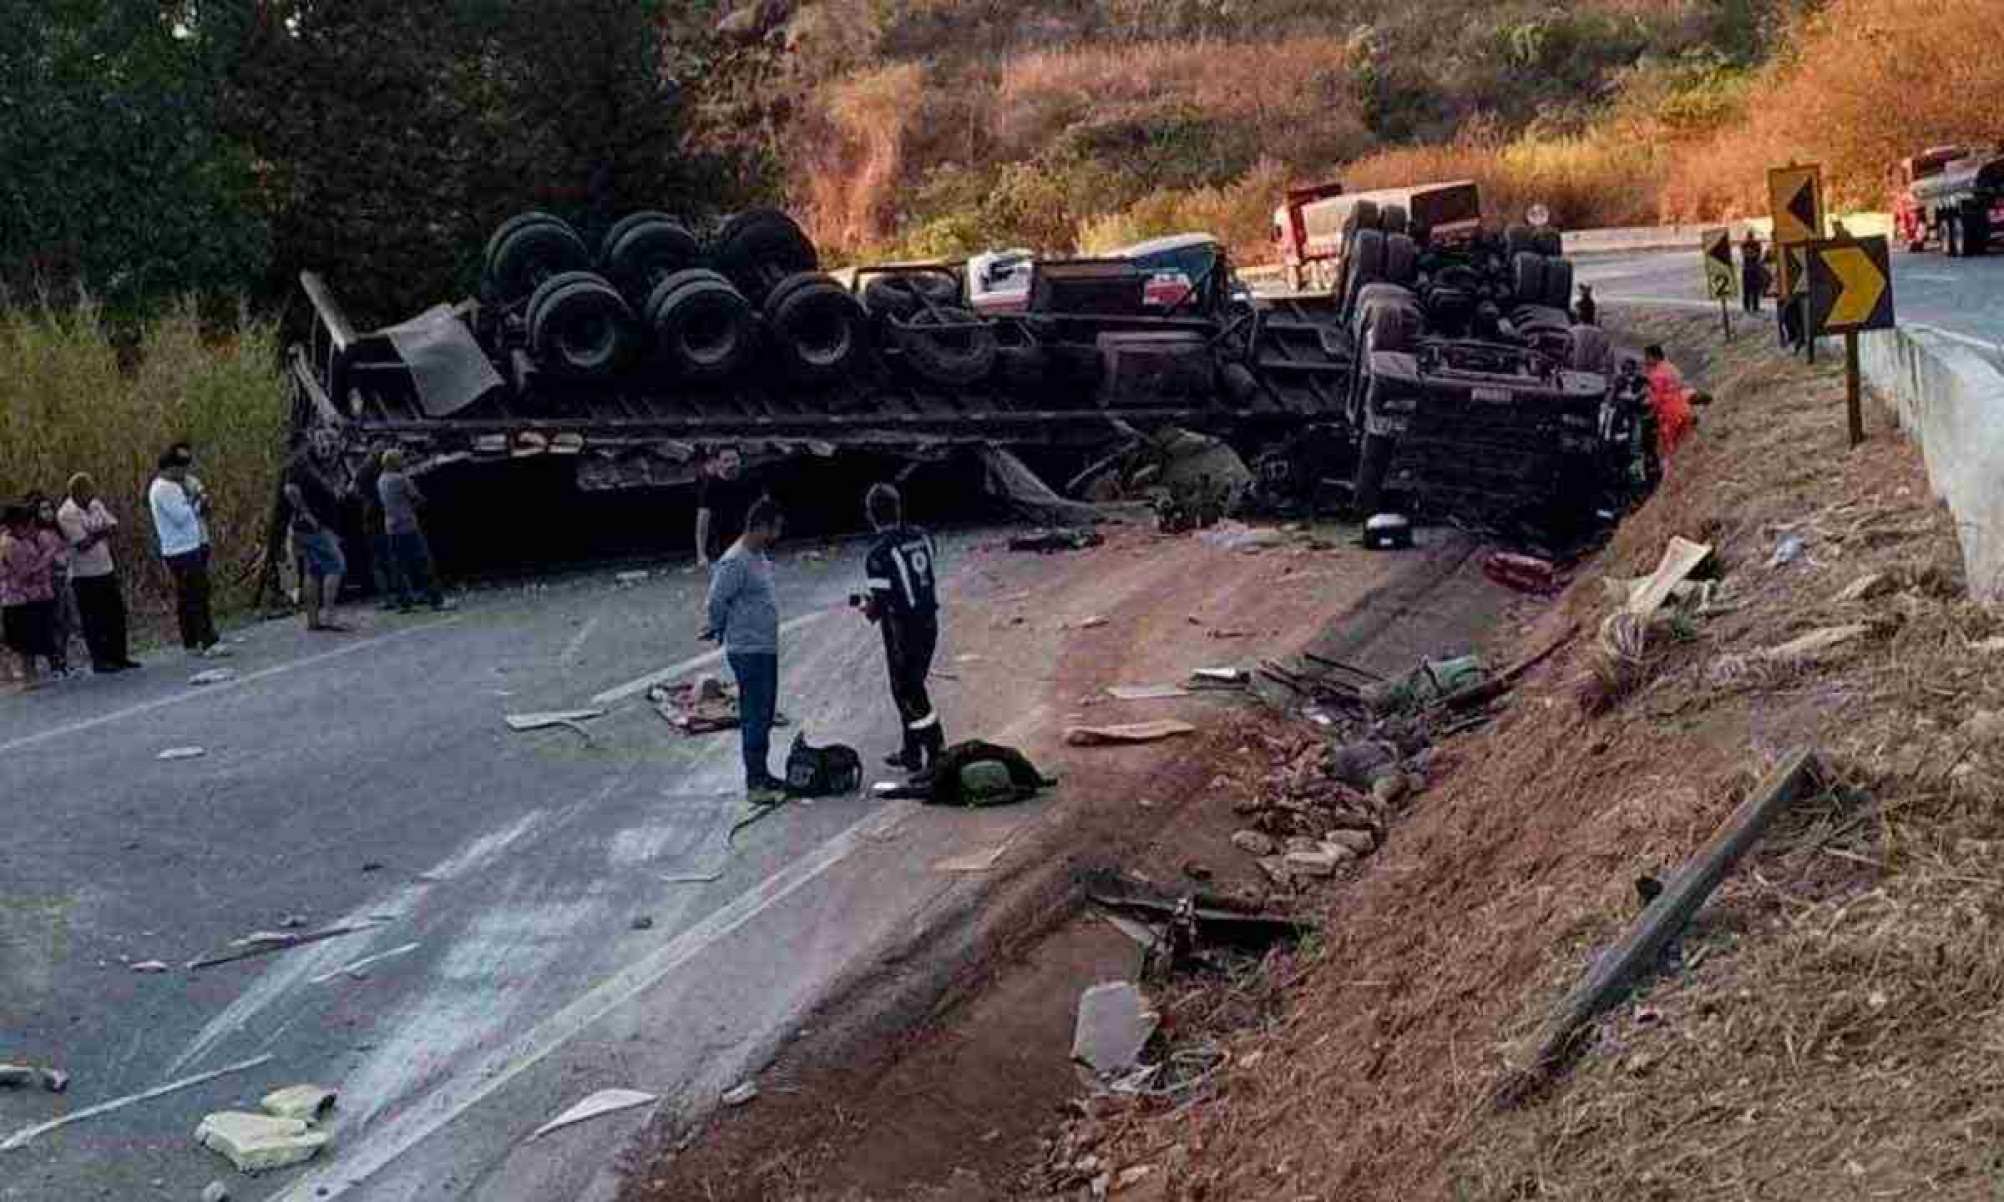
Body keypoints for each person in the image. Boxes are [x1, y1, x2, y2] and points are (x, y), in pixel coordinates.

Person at [704, 496, 786, 803]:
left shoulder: (758, 557)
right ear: (760, 527)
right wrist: (718, 627)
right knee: (754, 713)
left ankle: (762, 774)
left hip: (763, 646)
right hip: (749, 649)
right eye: (773, 530)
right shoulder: (735, 561)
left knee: (764, 713)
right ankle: (755, 783)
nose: (776, 537)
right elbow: (716, 600)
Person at [860, 483, 945, 777]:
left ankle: (936, 752)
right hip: (929, 620)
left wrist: (867, 608)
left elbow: (881, 603)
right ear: (898, 508)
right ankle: (911, 751)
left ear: (870, 514)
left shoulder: (877, 554)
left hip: (902, 628)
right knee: (913, 683)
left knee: (908, 692)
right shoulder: (923, 537)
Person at [56, 473, 137, 673]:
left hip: (105, 566)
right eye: (85, 493)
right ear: (75, 494)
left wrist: (99, 532)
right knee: (93, 618)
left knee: (115, 614)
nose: (90, 496)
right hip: (84, 574)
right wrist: (101, 532)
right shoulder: (67, 513)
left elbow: (113, 525)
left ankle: (119, 655)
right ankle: (100, 659)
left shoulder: (95, 504)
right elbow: (82, 544)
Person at [149, 444, 224, 656]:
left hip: (194, 543)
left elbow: (198, 512)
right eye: (180, 468)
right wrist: (194, 498)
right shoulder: (163, 488)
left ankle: (193, 639)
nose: (184, 473)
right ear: (169, 467)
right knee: (195, 594)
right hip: (180, 549)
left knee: (194, 592)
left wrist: (200, 501)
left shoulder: (181, 484)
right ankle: (205, 639)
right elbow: (182, 517)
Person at [282, 436, 350, 632]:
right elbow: (290, 490)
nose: (326, 447)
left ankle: (313, 620)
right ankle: (330, 617)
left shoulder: (312, 464)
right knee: (336, 566)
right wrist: (307, 514)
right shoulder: (300, 464)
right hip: (315, 528)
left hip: (309, 527)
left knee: (314, 571)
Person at [377, 449, 451, 611]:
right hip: (408, 526)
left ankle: (404, 602)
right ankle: (436, 600)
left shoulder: (381, 480)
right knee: (424, 563)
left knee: (399, 567)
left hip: (391, 527)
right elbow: (417, 497)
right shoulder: (401, 479)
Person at [0, 503, 64, 688]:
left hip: (30, 596)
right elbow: (24, 572)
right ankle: (25, 676)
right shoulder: (9, 543)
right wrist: (47, 558)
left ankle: (32, 674)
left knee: (31, 638)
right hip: (14, 598)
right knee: (21, 641)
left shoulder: (24, 540)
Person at [27, 492, 76, 674]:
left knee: (67, 621)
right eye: (43, 510)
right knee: (56, 621)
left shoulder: (57, 531)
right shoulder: (38, 535)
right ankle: (56, 662)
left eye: (50, 508)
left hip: (65, 578)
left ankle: (63, 658)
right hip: (51, 580)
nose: (48, 513)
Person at [693, 446, 748, 569]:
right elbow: (702, 523)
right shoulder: (709, 486)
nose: (731, 464)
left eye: (734, 460)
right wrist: (701, 554)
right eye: (726, 461)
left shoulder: (748, 478)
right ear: (717, 463)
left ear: (740, 460)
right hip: (718, 538)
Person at [1642, 344, 1698, 462]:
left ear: (1654, 357)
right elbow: (1680, 384)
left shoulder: (1657, 374)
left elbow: (1656, 398)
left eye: (1647, 357)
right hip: (1683, 409)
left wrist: (1650, 414)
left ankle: (1669, 474)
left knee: (1668, 449)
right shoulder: (1671, 368)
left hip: (1669, 414)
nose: (1645, 360)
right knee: (1683, 445)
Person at [1740, 231, 1766, 314]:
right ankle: (1749, 307)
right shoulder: (1748, 245)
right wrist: (1752, 254)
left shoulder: (1748, 244)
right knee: (1749, 290)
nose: (1750, 238)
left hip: (1751, 269)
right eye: (1750, 236)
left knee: (1753, 290)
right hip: (1750, 269)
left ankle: (1753, 307)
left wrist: (1750, 254)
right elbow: (1755, 254)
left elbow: (1757, 254)